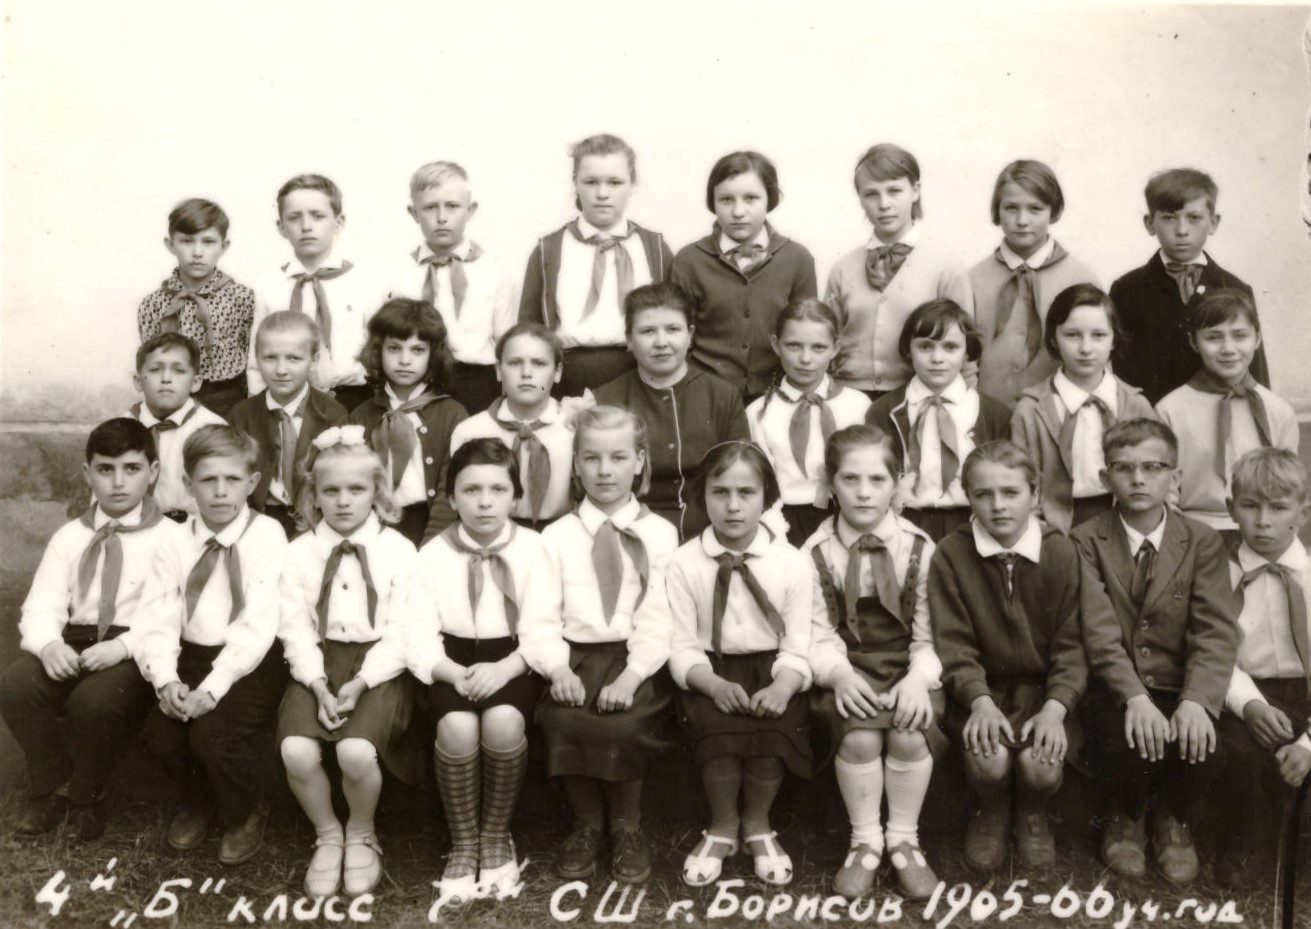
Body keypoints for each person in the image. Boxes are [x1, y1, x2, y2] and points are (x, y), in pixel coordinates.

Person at [1073, 419, 1239, 884]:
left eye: (1153, 467)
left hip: (1179, 683)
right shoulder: (1085, 540)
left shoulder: (1202, 540)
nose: (1138, 479)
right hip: (1116, 686)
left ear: (1175, 477)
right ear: (1105, 477)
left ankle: (1172, 815)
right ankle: (1127, 813)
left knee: (1204, 748)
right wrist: (1133, 697)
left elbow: (1215, 631)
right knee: (1127, 745)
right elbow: (1098, 631)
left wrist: (1197, 700)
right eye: (1123, 468)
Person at [0, 419, 180, 840]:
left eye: (131, 469)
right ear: (87, 474)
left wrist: (123, 647)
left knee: (93, 703)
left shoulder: (170, 537)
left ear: (153, 472)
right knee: (16, 684)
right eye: (105, 469)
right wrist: (48, 645)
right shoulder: (70, 536)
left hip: (137, 645)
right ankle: (52, 782)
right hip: (76, 638)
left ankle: (87, 795)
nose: (118, 483)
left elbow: (167, 614)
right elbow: (41, 604)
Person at [525, 405, 679, 884]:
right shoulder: (555, 537)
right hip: (574, 657)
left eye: (618, 457)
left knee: (623, 723)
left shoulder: (660, 534)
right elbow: (539, 616)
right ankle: (587, 823)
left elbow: (659, 615)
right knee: (565, 718)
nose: (605, 470)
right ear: (576, 465)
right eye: (591, 458)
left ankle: (626, 826)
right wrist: (557, 670)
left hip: (635, 658)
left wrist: (633, 676)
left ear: (640, 461)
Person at [132, 425, 290, 865]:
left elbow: (258, 623)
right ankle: (198, 797)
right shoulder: (172, 539)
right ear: (188, 484)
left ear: (252, 482)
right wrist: (166, 680)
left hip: (251, 659)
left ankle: (246, 808)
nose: (220, 491)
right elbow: (158, 615)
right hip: (192, 654)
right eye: (207, 480)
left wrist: (212, 689)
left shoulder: (267, 535)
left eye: (232, 479)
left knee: (213, 733)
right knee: (162, 732)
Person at [406, 438, 556, 902]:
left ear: (515, 497)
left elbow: (544, 627)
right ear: (452, 499)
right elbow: (417, 635)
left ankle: (495, 834)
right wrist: (452, 673)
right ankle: (463, 839)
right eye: (471, 490)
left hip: (514, 657)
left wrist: (507, 668)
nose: (485, 501)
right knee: (456, 726)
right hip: (451, 661)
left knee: (503, 720)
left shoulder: (535, 549)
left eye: (497, 489)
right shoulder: (431, 556)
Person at [929, 441, 1086, 873]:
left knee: (1041, 763)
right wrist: (978, 701)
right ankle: (992, 809)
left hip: (1045, 693)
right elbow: (953, 645)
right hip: (982, 691)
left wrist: (1056, 709)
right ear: (968, 497)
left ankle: (1033, 812)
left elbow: (1073, 645)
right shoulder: (951, 554)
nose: (998, 505)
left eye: (1011, 492)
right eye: (983, 494)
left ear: (1035, 494)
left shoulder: (1060, 551)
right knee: (989, 756)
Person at [276, 429, 420, 897]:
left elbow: (402, 630)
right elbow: (295, 627)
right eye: (330, 490)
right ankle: (327, 833)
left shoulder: (399, 550)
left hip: (379, 665)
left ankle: (361, 831)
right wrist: (317, 684)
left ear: (376, 491)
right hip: (318, 663)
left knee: (355, 751)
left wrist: (362, 682)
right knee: (296, 749)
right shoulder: (298, 553)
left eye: (356, 489)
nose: (343, 501)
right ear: (314, 495)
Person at [804, 425, 944, 899]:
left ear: (898, 483)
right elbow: (817, 635)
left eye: (877, 480)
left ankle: (904, 838)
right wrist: (839, 675)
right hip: (847, 667)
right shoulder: (815, 553)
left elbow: (930, 636)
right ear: (829, 483)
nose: (863, 492)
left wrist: (918, 680)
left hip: (908, 668)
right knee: (860, 737)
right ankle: (864, 840)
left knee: (909, 733)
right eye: (850, 479)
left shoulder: (920, 548)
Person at [666, 442, 812, 887]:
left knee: (771, 732)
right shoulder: (684, 563)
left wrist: (783, 687)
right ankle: (723, 825)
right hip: (710, 670)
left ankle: (757, 824)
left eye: (746, 492)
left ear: (767, 497)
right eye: (720, 492)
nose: (733, 506)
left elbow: (798, 643)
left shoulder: (792, 563)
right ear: (702, 496)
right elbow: (682, 644)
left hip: (774, 670)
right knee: (718, 734)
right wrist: (712, 684)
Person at [1213, 448, 1311, 888]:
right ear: (1231, 509)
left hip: (1307, 692)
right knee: (1239, 756)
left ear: (1303, 513)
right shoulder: (1220, 575)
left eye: (1279, 508)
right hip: (1249, 692)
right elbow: (1216, 651)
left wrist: (1308, 743)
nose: (1264, 522)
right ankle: (1248, 841)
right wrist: (1249, 705)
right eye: (1251, 507)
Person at [592, 282, 750, 540]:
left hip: (711, 530)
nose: (661, 342)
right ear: (629, 339)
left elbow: (742, 475)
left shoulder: (722, 395)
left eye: (673, 329)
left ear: (690, 335)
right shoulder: (605, 400)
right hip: (632, 532)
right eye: (647, 331)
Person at [519, 134, 674, 395]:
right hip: (568, 377)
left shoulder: (654, 248)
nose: (602, 194)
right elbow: (529, 329)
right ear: (575, 182)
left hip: (640, 374)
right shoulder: (549, 250)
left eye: (615, 182)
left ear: (632, 183)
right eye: (591, 182)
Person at [825, 143, 972, 401]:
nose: (884, 204)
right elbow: (826, 340)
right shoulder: (842, 268)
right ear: (860, 198)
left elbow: (965, 349)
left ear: (915, 191)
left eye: (894, 191)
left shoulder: (946, 266)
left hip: (919, 397)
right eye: (871, 194)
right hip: (849, 395)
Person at [1110, 168, 1269, 404]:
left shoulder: (1235, 288)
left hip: (1223, 413)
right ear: (1149, 223)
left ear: (1213, 222)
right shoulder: (1127, 289)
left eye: (1194, 218)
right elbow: (1121, 371)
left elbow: (1255, 371)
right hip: (1151, 417)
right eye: (1169, 217)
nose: (1182, 230)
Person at [673, 150, 818, 402]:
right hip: (706, 395)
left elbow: (808, 333)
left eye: (751, 198)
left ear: (770, 199)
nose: (738, 211)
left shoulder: (797, 258)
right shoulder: (689, 260)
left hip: (776, 395)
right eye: (726, 199)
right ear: (712, 203)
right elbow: (679, 335)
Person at [1011, 284, 1156, 534]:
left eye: (1098, 335)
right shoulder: (1031, 411)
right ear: (1054, 339)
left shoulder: (1135, 404)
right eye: (1072, 335)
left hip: (1127, 520)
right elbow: (1020, 482)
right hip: (1054, 525)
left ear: (1114, 339)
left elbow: (1159, 473)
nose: (1086, 348)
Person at [1156, 288, 1297, 534]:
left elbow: (1287, 489)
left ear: (1257, 339)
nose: (1228, 348)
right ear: (1194, 342)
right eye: (1213, 338)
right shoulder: (1170, 410)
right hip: (1192, 531)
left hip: (1261, 531)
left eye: (1240, 336)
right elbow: (1163, 490)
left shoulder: (1278, 410)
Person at [867, 300, 1009, 541]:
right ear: (908, 349)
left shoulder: (994, 414)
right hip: (905, 523)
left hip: (974, 524)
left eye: (950, 347)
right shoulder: (884, 411)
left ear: (967, 351)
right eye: (925, 346)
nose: (937, 358)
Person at [250, 174, 385, 412]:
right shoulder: (269, 285)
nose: (306, 226)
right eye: (294, 217)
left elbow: (380, 350)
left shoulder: (366, 282)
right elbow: (256, 356)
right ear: (281, 227)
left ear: (339, 222)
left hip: (354, 400)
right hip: (285, 401)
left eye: (317, 216)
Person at [972, 160, 1100, 407]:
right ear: (997, 211)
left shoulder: (1081, 278)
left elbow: (1097, 361)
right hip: (987, 414)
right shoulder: (973, 279)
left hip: (1055, 416)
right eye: (1011, 208)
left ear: (1053, 211)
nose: (1022, 220)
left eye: (1035, 209)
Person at [391, 161, 516, 413]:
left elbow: (506, 340)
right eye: (430, 207)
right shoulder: (399, 273)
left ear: (470, 210)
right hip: (417, 381)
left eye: (452, 206)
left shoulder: (494, 270)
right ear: (413, 213)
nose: (441, 218)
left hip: (477, 383)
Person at [747, 299, 870, 546]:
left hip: (848, 516)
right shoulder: (759, 412)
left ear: (835, 348)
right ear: (776, 345)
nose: (805, 358)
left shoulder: (858, 405)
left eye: (818, 347)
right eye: (793, 345)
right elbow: (760, 482)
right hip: (784, 522)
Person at [349, 298, 468, 546]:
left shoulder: (452, 414)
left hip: (431, 525)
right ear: (378, 350)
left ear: (433, 355)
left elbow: (450, 490)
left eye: (417, 350)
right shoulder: (362, 416)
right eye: (394, 348)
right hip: (374, 527)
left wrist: (432, 544)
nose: (405, 360)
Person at [230, 312, 349, 537]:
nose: (281, 370)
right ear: (256, 358)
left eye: (293, 358)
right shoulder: (242, 415)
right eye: (270, 358)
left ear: (314, 360)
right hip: (259, 521)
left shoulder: (333, 415)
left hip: (318, 523)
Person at [137, 198, 255, 417]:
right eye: (187, 241)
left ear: (224, 246)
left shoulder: (242, 298)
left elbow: (252, 353)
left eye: (208, 242)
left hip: (228, 398)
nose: (197, 252)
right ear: (170, 244)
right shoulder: (153, 303)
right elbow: (150, 361)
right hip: (173, 395)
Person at [449, 323, 574, 530]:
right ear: (499, 370)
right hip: (490, 533)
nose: (526, 373)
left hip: (560, 533)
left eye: (539, 363)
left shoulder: (573, 427)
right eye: (515, 363)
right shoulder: (470, 432)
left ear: (557, 372)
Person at [129, 332, 227, 521]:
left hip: (194, 526)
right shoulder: (122, 427)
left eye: (179, 370)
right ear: (138, 381)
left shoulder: (213, 429)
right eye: (155, 369)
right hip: (133, 526)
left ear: (195, 383)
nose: (166, 378)